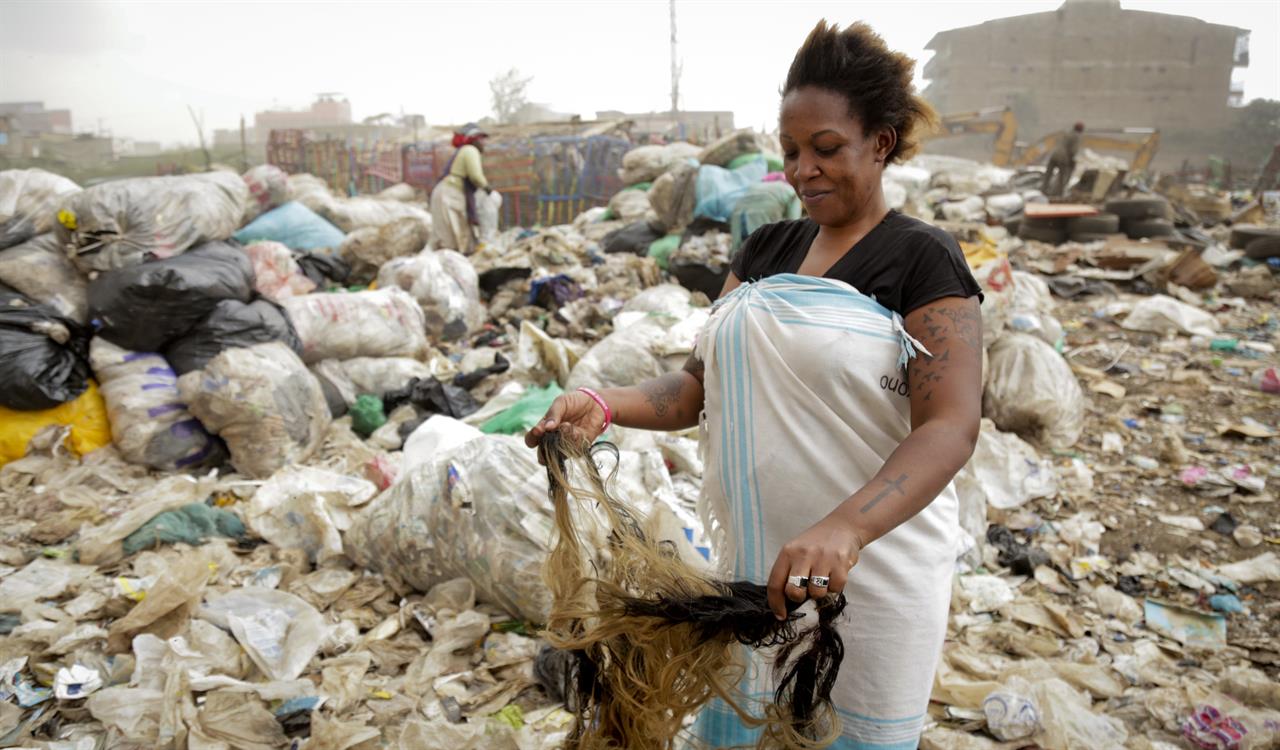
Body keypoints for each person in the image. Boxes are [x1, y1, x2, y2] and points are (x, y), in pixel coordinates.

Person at [526, 20, 984, 749]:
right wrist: (605, 406)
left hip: (870, 577)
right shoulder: (766, 249)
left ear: (882, 142)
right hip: (750, 578)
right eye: (792, 151)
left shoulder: (921, 261)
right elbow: (696, 388)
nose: (804, 169)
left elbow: (949, 427)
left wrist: (846, 527)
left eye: (827, 149)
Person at [431, 122, 492, 254]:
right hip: (448, 195)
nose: (484, 143)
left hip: (446, 193)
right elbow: (475, 176)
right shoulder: (470, 150)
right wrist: (487, 188)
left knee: (456, 238)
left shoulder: (463, 151)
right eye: (481, 140)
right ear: (473, 140)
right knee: (450, 241)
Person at [1042, 121, 1085, 197]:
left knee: (1048, 175)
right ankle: (1059, 194)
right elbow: (1073, 150)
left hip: (1054, 155)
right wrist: (1072, 161)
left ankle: (1043, 190)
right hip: (1063, 158)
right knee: (1062, 177)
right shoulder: (1076, 136)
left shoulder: (1066, 133)